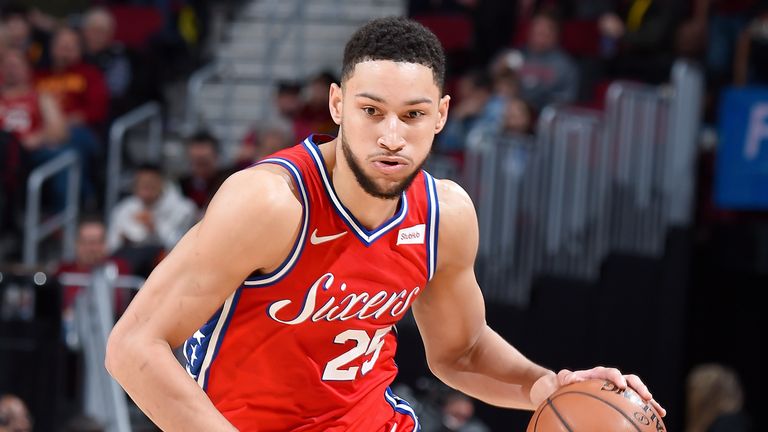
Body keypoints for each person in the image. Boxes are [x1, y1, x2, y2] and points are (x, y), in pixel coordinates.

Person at [105, 17, 665, 431]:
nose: (392, 136)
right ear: (337, 105)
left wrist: (544, 383)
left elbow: (461, 352)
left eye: (413, 115)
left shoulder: (446, 215)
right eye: (372, 111)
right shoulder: (270, 203)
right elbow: (133, 347)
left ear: (442, 115)